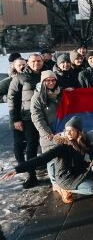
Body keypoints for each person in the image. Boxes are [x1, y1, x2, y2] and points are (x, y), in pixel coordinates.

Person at [2, 116, 93, 203]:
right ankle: (62, 188)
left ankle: (57, 183)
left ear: (79, 132)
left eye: (72, 130)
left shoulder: (82, 142)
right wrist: (17, 169)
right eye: (66, 130)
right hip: (67, 179)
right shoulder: (62, 146)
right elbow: (41, 159)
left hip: (77, 172)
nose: (68, 133)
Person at [7, 54, 44, 188]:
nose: (36, 63)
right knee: (32, 145)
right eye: (33, 61)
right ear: (28, 62)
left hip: (45, 115)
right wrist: (15, 119)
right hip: (28, 117)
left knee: (47, 143)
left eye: (39, 61)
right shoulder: (20, 77)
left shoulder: (45, 74)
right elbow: (12, 99)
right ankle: (31, 174)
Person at [30, 71, 63, 187]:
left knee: (62, 157)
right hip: (48, 133)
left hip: (62, 131)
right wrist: (47, 133)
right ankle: (55, 184)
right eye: (48, 80)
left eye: (53, 80)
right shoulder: (37, 97)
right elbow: (37, 118)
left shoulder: (60, 92)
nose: (51, 83)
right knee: (51, 160)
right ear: (43, 81)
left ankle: (64, 181)